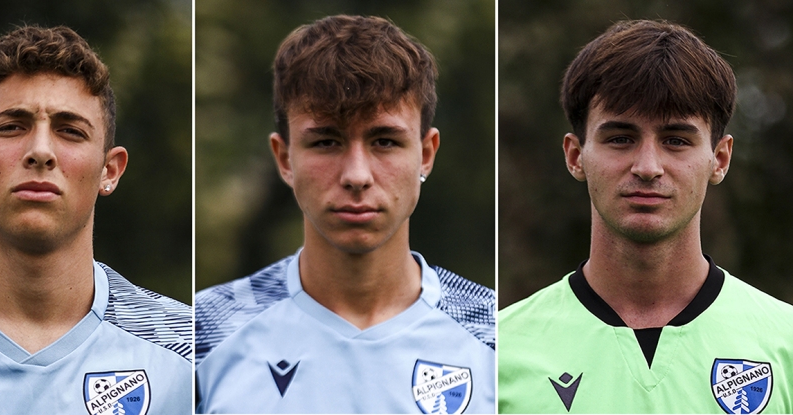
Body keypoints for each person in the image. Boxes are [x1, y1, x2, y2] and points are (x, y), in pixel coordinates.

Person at [195, 15, 495, 414]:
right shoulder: (203, 333)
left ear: (425, 154)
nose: (357, 176)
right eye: (326, 142)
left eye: (384, 141)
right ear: (285, 159)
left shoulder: (496, 335)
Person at [499, 19, 793, 413]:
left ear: (720, 159)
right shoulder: (499, 351)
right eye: (621, 138)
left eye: (676, 140)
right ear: (575, 156)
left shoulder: (784, 343)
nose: (648, 167)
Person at [0, 26, 192, 414]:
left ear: (110, 170)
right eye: (11, 127)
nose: (40, 151)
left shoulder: (188, 354)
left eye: (70, 131)